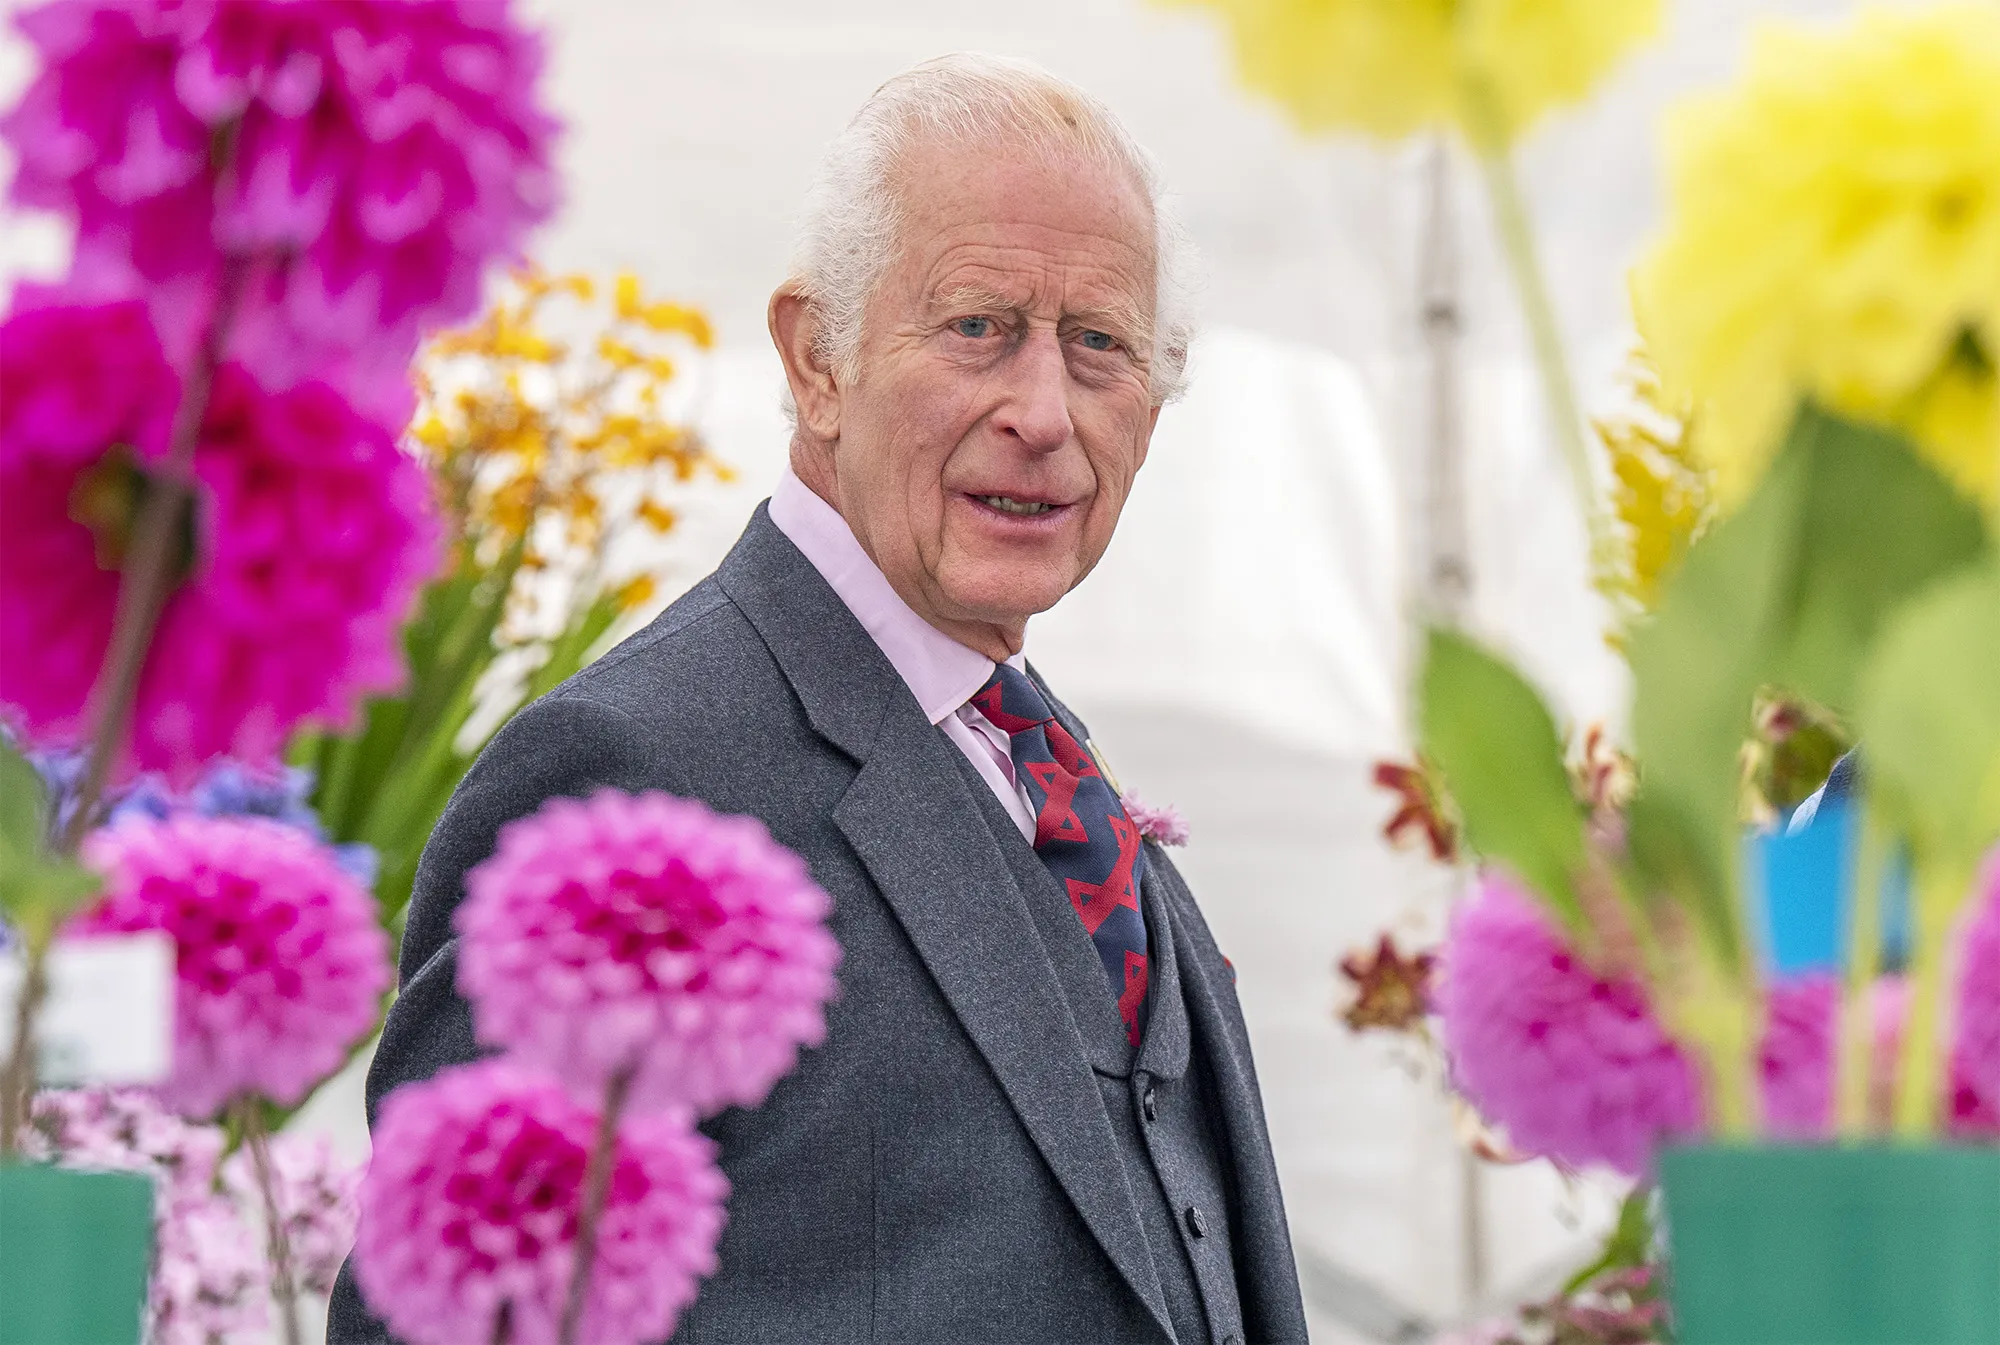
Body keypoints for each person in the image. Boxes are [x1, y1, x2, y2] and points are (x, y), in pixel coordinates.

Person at [330, 52, 1307, 1345]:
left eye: (1099, 346)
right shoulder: (627, 776)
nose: (1043, 412)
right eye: (978, 327)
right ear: (817, 359)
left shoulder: (1042, 763)